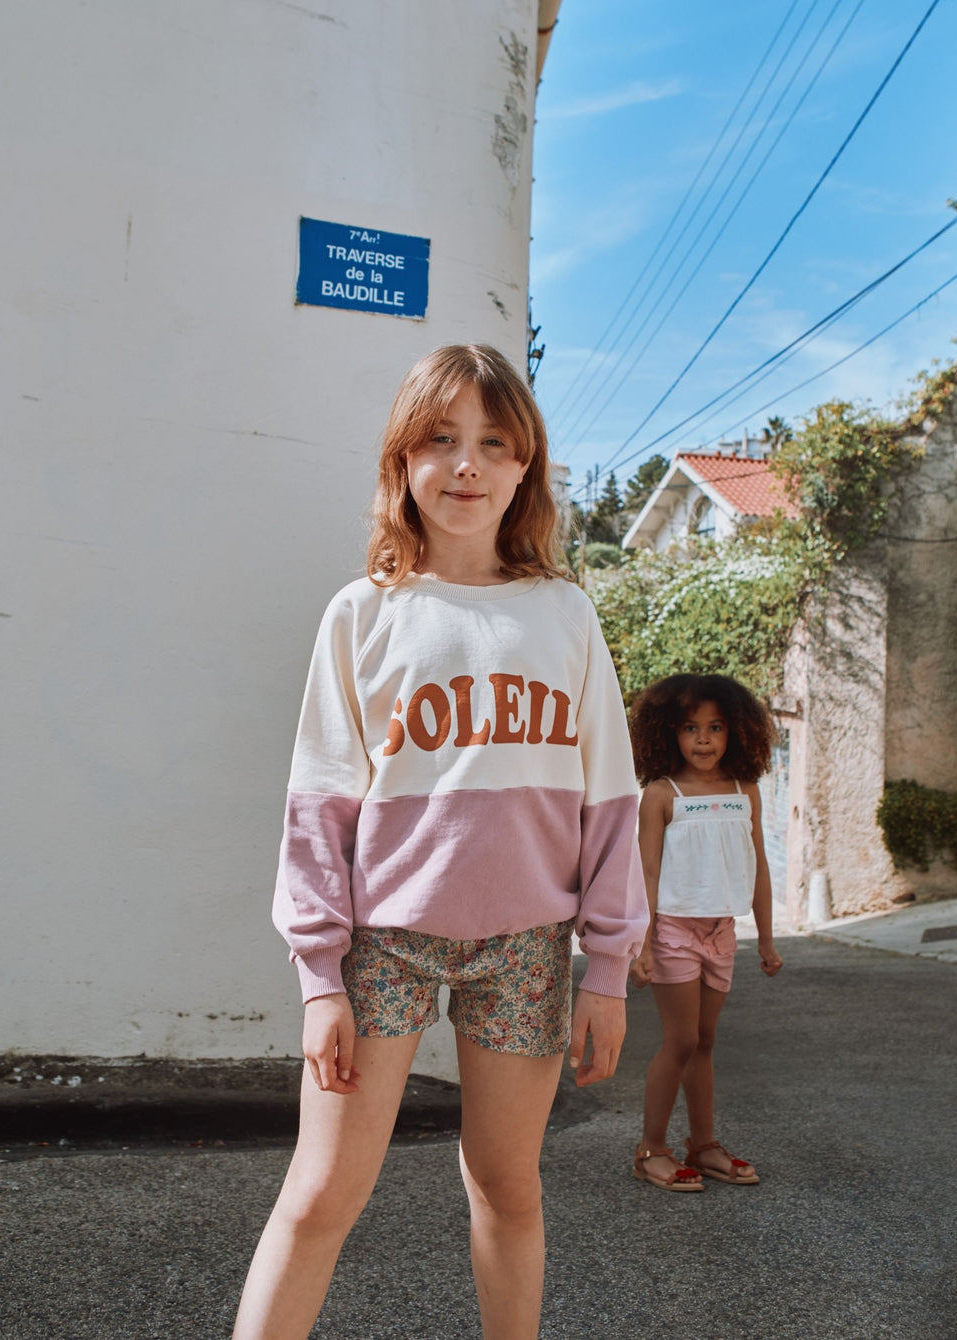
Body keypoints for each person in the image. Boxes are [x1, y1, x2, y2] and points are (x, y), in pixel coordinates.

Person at [233, 344, 648, 1340]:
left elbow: (611, 799)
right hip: (384, 943)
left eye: (494, 443)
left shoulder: (564, 613)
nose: (468, 464)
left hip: (527, 949)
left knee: (507, 1185)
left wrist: (609, 969)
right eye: (442, 440)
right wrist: (319, 980)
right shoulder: (362, 614)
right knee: (321, 1192)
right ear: (402, 461)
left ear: (525, 466)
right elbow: (319, 805)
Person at [627, 673, 783, 1193]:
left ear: (735, 731)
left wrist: (766, 938)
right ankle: (651, 1149)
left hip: (722, 931)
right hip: (673, 930)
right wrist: (642, 945)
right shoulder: (661, 795)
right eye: (690, 728)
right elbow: (647, 873)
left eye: (715, 727)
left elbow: (759, 866)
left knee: (706, 1041)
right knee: (682, 1039)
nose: (703, 739)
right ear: (668, 732)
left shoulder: (745, 792)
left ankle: (704, 1144)